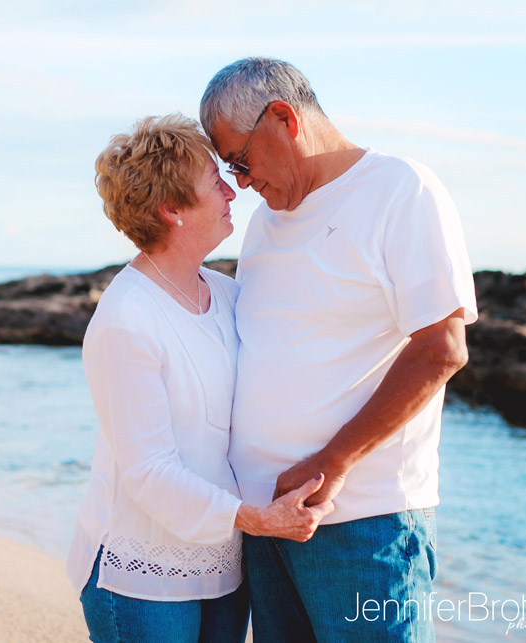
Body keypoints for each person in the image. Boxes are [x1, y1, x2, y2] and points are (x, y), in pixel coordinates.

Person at [199, 58, 478, 641]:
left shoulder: (401, 189)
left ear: (282, 118)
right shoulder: (263, 226)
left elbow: (442, 349)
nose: (242, 183)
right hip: (265, 526)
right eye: (230, 168)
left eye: (242, 161)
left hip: (360, 523)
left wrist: (331, 464)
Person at [66, 114, 335, 643]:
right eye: (215, 180)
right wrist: (258, 520)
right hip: (139, 579)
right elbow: (148, 471)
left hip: (223, 568)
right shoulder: (126, 320)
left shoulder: (227, 294)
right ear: (172, 209)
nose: (233, 191)